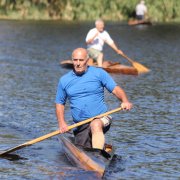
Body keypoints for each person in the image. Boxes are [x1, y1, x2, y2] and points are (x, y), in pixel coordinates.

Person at [55, 48, 132, 150]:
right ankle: (93, 144)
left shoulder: (99, 73)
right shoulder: (64, 80)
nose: (78, 63)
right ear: (72, 60)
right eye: (75, 60)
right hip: (80, 124)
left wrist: (125, 101)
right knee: (82, 145)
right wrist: (62, 123)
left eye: (81, 60)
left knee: (95, 124)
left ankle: (98, 155)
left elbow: (115, 89)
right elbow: (60, 103)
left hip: (102, 117)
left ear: (87, 60)